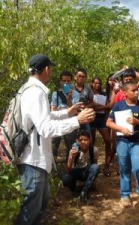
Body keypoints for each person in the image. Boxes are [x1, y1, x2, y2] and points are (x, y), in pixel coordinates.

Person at [15, 54, 95, 225]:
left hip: (37, 160)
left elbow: (43, 117)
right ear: (46, 69)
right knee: (30, 211)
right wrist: (77, 121)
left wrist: (67, 112)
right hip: (33, 160)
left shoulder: (29, 89)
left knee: (40, 206)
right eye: (49, 69)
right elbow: (46, 129)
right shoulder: (36, 93)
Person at [106, 81, 139, 208]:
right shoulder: (118, 106)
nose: (136, 92)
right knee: (124, 169)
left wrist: (137, 121)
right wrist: (121, 129)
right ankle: (125, 195)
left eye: (137, 90)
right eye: (133, 90)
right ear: (125, 92)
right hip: (122, 142)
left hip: (138, 142)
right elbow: (108, 123)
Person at [62, 130, 100, 204]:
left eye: (86, 140)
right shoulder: (73, 151)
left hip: (87, 171)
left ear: (90, 140)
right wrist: (72, 157)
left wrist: (93, 178)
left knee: (95, 167)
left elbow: (95, 164)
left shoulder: (94, 150)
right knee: (66, 179)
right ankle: (74, 189)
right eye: (81, 140)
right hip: (77, 171)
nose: (83, 142)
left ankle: (85, 192)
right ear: (77, 141)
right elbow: (69, 169)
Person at [50, 70, 77, 161]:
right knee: (54, 145)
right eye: (64, 81)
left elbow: (74, 110)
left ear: (71, 81)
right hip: (57, 123)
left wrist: (69, 98)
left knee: (70, 145)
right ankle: (53, 166)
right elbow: (53, 109)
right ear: (61, 81)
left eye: (68, 81)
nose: (66, 83)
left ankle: (70, 166)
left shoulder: (75, 94)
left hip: (70, 122)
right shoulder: (56, 94)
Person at [90, 77, 112, 176]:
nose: (97, 85)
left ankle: (107, 165)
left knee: (108, 140)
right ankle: (92, 164)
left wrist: (98, 107)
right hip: (92, 117)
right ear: (92, 83)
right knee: (91, 140)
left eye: (99, 83)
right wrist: (100, 107)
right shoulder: (89, 93)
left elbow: (109, 106)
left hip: (101, 118)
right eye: (95, 83)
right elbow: (90, 106)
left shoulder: (104, 94)